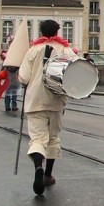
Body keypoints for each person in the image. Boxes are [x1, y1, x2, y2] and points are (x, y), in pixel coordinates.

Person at [18, 19, 77, 195]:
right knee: (53, 138)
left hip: (35, 100)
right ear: (58, 31)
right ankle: (48, 175)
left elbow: (23, 77)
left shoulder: (33, 50)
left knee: (37, 139)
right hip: (56, 101)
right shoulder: (66, 50)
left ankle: (38, 167)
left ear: (41, 31)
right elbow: (76, 73)